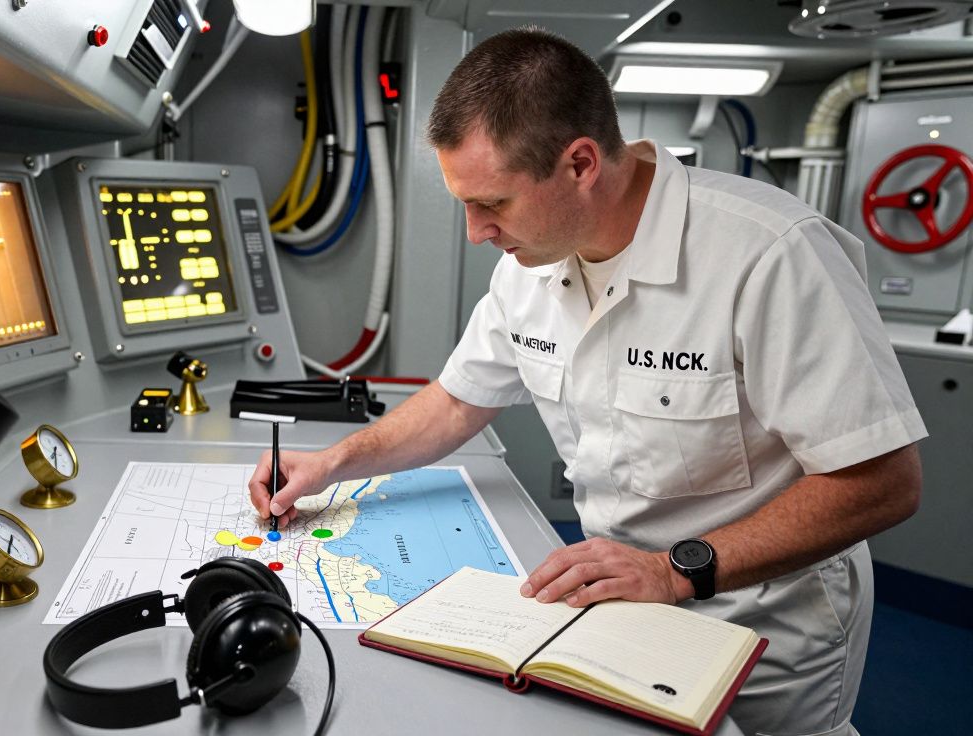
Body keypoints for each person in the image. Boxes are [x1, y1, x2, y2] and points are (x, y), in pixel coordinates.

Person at [248, 25, 927, 736]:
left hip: (760, 619)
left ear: (579, 164)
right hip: (616, 597)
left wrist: (673, 571)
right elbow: (455, 401)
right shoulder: (531, 268)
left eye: (494, 204)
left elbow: (883, 481)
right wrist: (331, 465)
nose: (478, 232)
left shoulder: (770, 255)